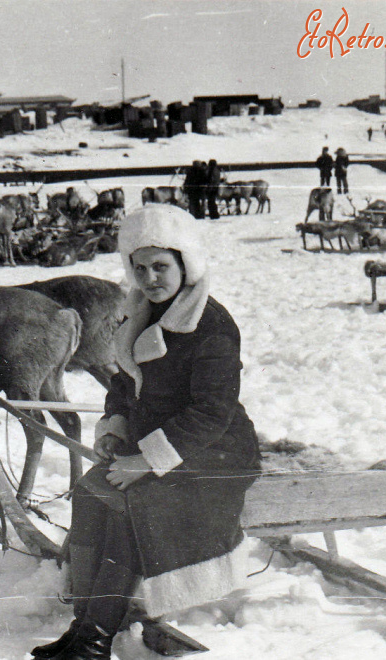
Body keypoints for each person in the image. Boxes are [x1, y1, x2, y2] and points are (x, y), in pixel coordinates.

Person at [31, 205, 261, 660]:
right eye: (141, 268)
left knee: (132, 506)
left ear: (185, 265)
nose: (151, 277)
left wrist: (145, 461)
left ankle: (96, 641)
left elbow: (212, 411)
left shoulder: (211, 325)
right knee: (90, 491)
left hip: (212, 451)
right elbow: (123, 382)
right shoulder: (139, 314)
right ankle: (82, 627)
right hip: (156, 443)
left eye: (162, 266)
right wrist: (115, 430)